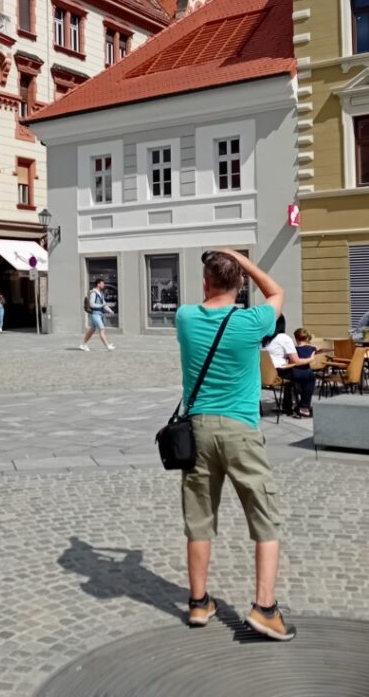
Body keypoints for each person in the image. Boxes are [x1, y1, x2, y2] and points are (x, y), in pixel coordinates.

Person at [175, 248, 296, 641]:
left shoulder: (185, 317)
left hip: (197, 430)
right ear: (240, 285)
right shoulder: (252, 320)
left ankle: (198, 603)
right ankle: (264, 609)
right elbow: (277, 292)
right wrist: (242, 261)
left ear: (205, 283)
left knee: (199, 519)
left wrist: (224, 266)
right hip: (241, 430)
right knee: (265, 516)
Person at [262, 316, 315, 417]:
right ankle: (303, 407)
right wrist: (311, 359)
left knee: (292, 377)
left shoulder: (262, 338)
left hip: (265, 374)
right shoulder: (283, 338)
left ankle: (287, 405)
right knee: (309, 376)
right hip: (279, 373)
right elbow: (297, 361)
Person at [80, 279, 115, 352]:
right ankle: (107, 346)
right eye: (102, 283)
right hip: (95, 314)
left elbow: (104, 304)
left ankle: (83, 344)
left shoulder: (100, 293)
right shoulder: (94, 293)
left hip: (99, 314)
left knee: (91, 330)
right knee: (102, 329)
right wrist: (101, 305)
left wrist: (110, 311)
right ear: (98, 284)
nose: (104, 285)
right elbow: (92, 304)